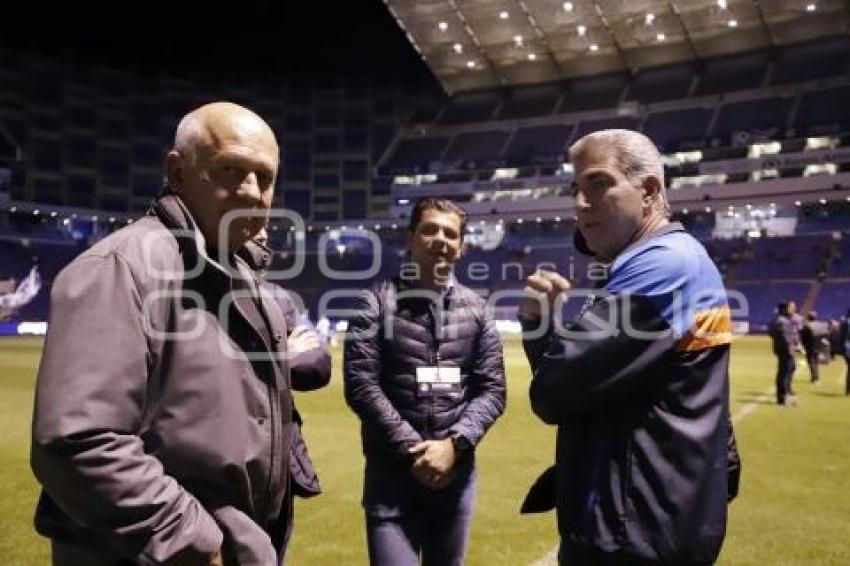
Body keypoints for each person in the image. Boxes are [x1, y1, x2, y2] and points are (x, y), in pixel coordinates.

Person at [31, 102, 294, 565]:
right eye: (231, 170)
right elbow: (79, 442)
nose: (253, 192)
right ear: (177, 172)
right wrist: (197, 542)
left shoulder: (239, 274)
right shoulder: (122, 267)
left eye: (265, 177)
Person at [519, 129, 740, 565]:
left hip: (634, 529)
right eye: (576, 190)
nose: (581, 203)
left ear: (650, 190)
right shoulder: (673, 258)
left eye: (598, 184)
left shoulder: (662, 266)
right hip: (651, 513)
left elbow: (555, 391)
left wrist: (538, 324)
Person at [343, 198, 507, 566]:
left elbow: (493, 390)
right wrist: (416, 451)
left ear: (461, 247)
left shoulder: (478, 310)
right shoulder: (374, 303)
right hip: (392, 480)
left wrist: (454, 445)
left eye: (450, 233)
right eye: (429, 229)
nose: (440, 239)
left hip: (456, 479)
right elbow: (361, 386)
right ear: (410, 238)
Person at [238, 228, 332, 562]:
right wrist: (280, 357)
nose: (263, 232)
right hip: (225, 462)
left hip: (278, 463)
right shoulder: (191, 295)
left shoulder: (280, 298)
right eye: (252, 223)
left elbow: (318, 367)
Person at [770, 302, 798, 406]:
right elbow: (783, 337)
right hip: (785, 351)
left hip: (786, 350)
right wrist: (791, 346)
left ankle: (786, 394)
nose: (793, 310)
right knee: (784, 373)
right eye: (791, 308)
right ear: (784, 309)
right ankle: (782, 398)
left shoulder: (783, 320)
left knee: (789, 370)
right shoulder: (781, 321)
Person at [799, 312, 820, 384]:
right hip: (818, 346)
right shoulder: (819, 325)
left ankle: (814, 378)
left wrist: (803, 345)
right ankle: (816, 377)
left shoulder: (807, 326)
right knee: (816, 362)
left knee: (811, 362)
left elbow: (802, 337)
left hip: (810, 347)